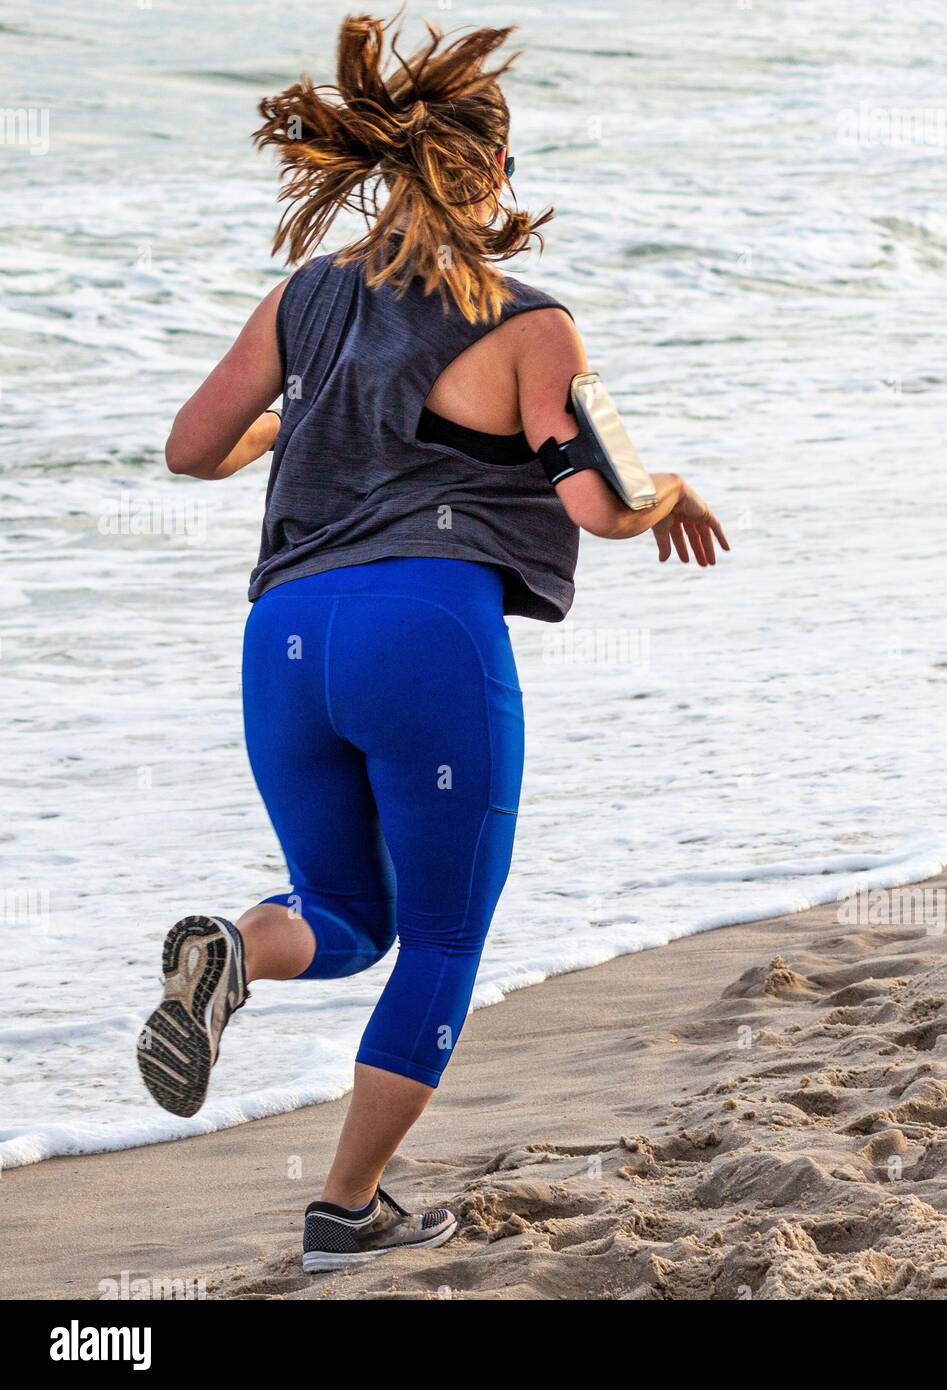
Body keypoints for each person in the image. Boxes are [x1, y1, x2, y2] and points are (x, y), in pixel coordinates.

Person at [138, 11, 728, 1273]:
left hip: (285, 640)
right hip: (424, 633)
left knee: (342, 913)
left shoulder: (306, 295)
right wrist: (673, 489)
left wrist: (297, 419)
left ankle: (233, 951)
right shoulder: (529, 323)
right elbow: (600, 507)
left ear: (390, 172)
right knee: (445, 938)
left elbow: (190, 450)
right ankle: (344, 1208)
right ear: (498, 177)